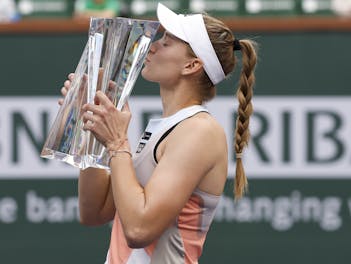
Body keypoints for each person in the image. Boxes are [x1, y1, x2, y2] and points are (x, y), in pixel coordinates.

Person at [60, 3, 257, 263]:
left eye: (167, 42)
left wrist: (118, 142)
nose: (152, 46)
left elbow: (138, 229)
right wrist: (93, 124)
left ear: (192, 65)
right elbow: (94, 212)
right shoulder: (163, 126)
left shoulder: (200, 131)